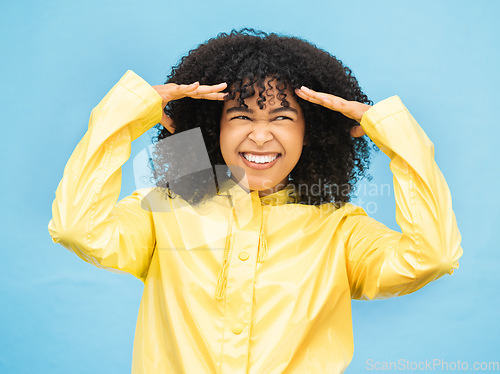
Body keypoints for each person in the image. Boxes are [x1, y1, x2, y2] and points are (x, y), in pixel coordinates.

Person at [48, 29, 463, 373]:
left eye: (282, 118)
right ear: (213, 128)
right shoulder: (169, 207)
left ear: (311, 132)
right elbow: (77, 229)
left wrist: (395, 136)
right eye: (241, 116)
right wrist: (124, 115)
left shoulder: (340, 230)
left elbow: (433, 258)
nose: (261, 136)